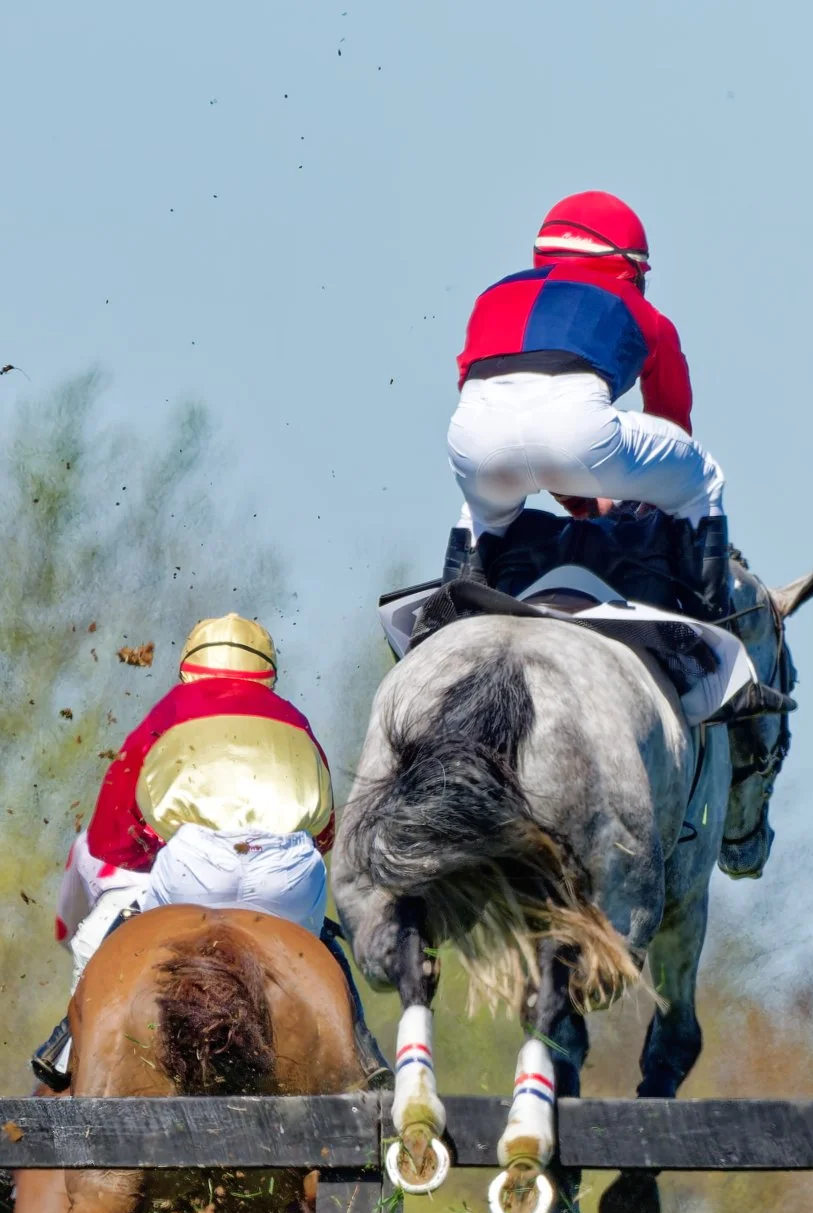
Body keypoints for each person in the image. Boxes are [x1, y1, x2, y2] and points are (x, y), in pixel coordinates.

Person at [33, 614, 390, 1090]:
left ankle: (66, 1045)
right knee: (320, 946)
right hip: (286, 871)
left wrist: (148, 847)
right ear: (268, 671)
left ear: (189, 667)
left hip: (195, 867)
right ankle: (365, 1051)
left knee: (109, 926)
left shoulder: (170, 710)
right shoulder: (295, 720)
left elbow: (117, 830)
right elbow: (323, 831)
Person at [443, 190, 732, 619]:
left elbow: (517, 418)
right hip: (580, 435)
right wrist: (630, 500)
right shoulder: (643, 312)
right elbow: (672, 422)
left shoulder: (491, 296)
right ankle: (709, 639)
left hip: (473, 440)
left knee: (481, 511)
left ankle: (443, 621)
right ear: (630, 268)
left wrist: (582, 502)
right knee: (702, 476)